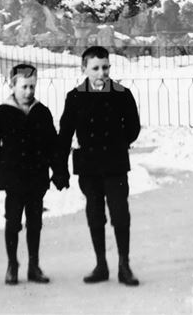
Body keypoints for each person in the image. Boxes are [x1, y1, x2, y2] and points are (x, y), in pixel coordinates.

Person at [54, 45, 142, 286]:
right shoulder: (74, 97)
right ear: (84, 69)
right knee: (95, 215)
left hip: (115, 164)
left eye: (105, 67)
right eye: (95, 68)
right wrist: (59, 169)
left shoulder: (122, 94)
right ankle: (101, 265)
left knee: (120, 214)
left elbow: (133, 127)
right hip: (88, 167)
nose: (101, 73)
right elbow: (64, 135)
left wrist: (116, 142)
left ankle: (124, 266)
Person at [0, 63, 64, 285]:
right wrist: (0, 176)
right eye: (24, 87)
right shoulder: (0, 114)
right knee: (12, 222)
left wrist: (57, 171)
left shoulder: (42, 112)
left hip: (37, 178)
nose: (29, 92)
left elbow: (52, 146)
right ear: (12, 85)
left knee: (35, 222)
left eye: (32, 86)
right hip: (13, 179)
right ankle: (12, 264)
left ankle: (33, 265)